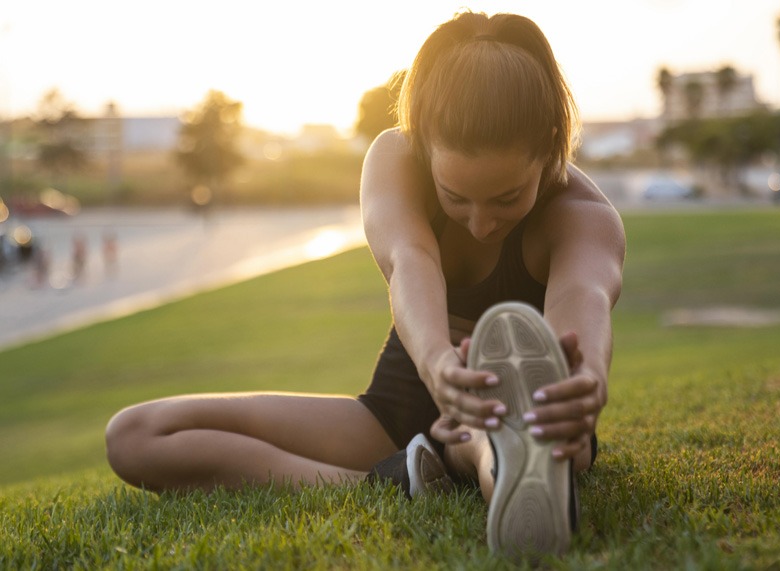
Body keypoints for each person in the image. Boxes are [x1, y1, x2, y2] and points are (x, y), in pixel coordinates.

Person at [105, 10, 625, 562]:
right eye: (456, 198)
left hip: (533, 416)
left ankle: (486, 454)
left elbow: (582, 301)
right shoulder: (395, 159)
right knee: (136, 436)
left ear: (548, 146)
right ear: (424, 143)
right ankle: (399, 480)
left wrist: (586, 378)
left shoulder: (582, 216)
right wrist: (439, 365)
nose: (479, 222)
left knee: (504, 443)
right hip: (396, 414)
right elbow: (410, 261)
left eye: (506, 199)